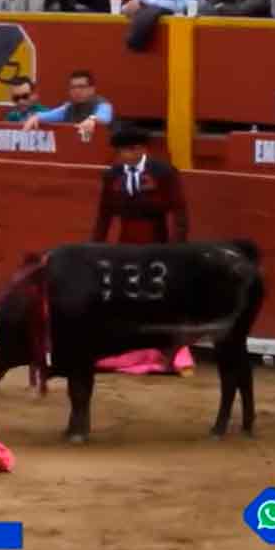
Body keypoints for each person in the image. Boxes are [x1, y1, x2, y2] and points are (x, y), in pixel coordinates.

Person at [91, 127, 194, 375]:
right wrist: (95, 249)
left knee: (159, 298)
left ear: (140, 150)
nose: (121, 156)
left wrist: (176, 248)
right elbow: (104, 215)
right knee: (125, 296)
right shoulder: (112, 175)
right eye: (119, 151)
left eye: (125, 151)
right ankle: (125, 353)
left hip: (156, 243)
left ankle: (170, 356)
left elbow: (179, 212)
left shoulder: (164, 173)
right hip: (125, 245)